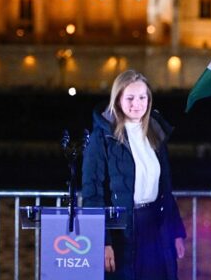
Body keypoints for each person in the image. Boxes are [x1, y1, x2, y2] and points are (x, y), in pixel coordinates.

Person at [82, 69, 187, 279]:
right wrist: (103, 241)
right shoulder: (102, 138)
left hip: (156, 228)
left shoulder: (155, 133)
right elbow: (92, 194)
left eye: (142, 97)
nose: (136, 103)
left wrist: (176, 232)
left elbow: (166, 188)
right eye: (129, 98)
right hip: (123, 230)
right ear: (118, 99)